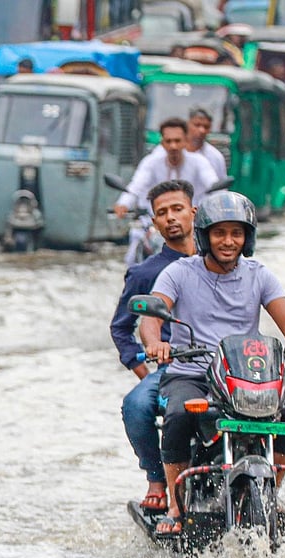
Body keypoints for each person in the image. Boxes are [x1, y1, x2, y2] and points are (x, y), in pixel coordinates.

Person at [139, 192, 285, 534]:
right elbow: (151, 317)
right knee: (179, 414)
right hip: (193, 372)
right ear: (205, 236)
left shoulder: (260, 275)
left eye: (236, 233)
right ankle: (176, 505)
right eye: (220, 233)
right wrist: (156, 343)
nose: (228, 241)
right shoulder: (178, 272)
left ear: (248, 237)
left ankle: (272, 495)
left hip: (246, 373)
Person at [110, 179, 198, 513]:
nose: (171, 217)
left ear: (194, 212)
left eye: (178, 209)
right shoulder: (144, 273)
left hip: (223, 365)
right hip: (171, 368)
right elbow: (121, 328)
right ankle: (156, 477)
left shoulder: (219, 261)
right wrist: (145, 371)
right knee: (136, 405)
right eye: (162, 213)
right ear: (154, 222)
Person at [114, 118, 220, 218]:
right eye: (168, 141)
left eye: (177, 141)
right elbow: (136, 186)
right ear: (162, 143)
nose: (173, 146)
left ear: (185, 141)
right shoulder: (151, 162)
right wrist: (124, 204)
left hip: (191, 220)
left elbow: (213, 184)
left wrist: (221, 202)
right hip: (155, 221)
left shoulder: (199, 161)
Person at [185, 107, 227, 181]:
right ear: (187, 125)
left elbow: (221, 184)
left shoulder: (216, 157)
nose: (202, 130)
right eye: (197, 125)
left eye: (206, 127)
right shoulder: (175, 152)